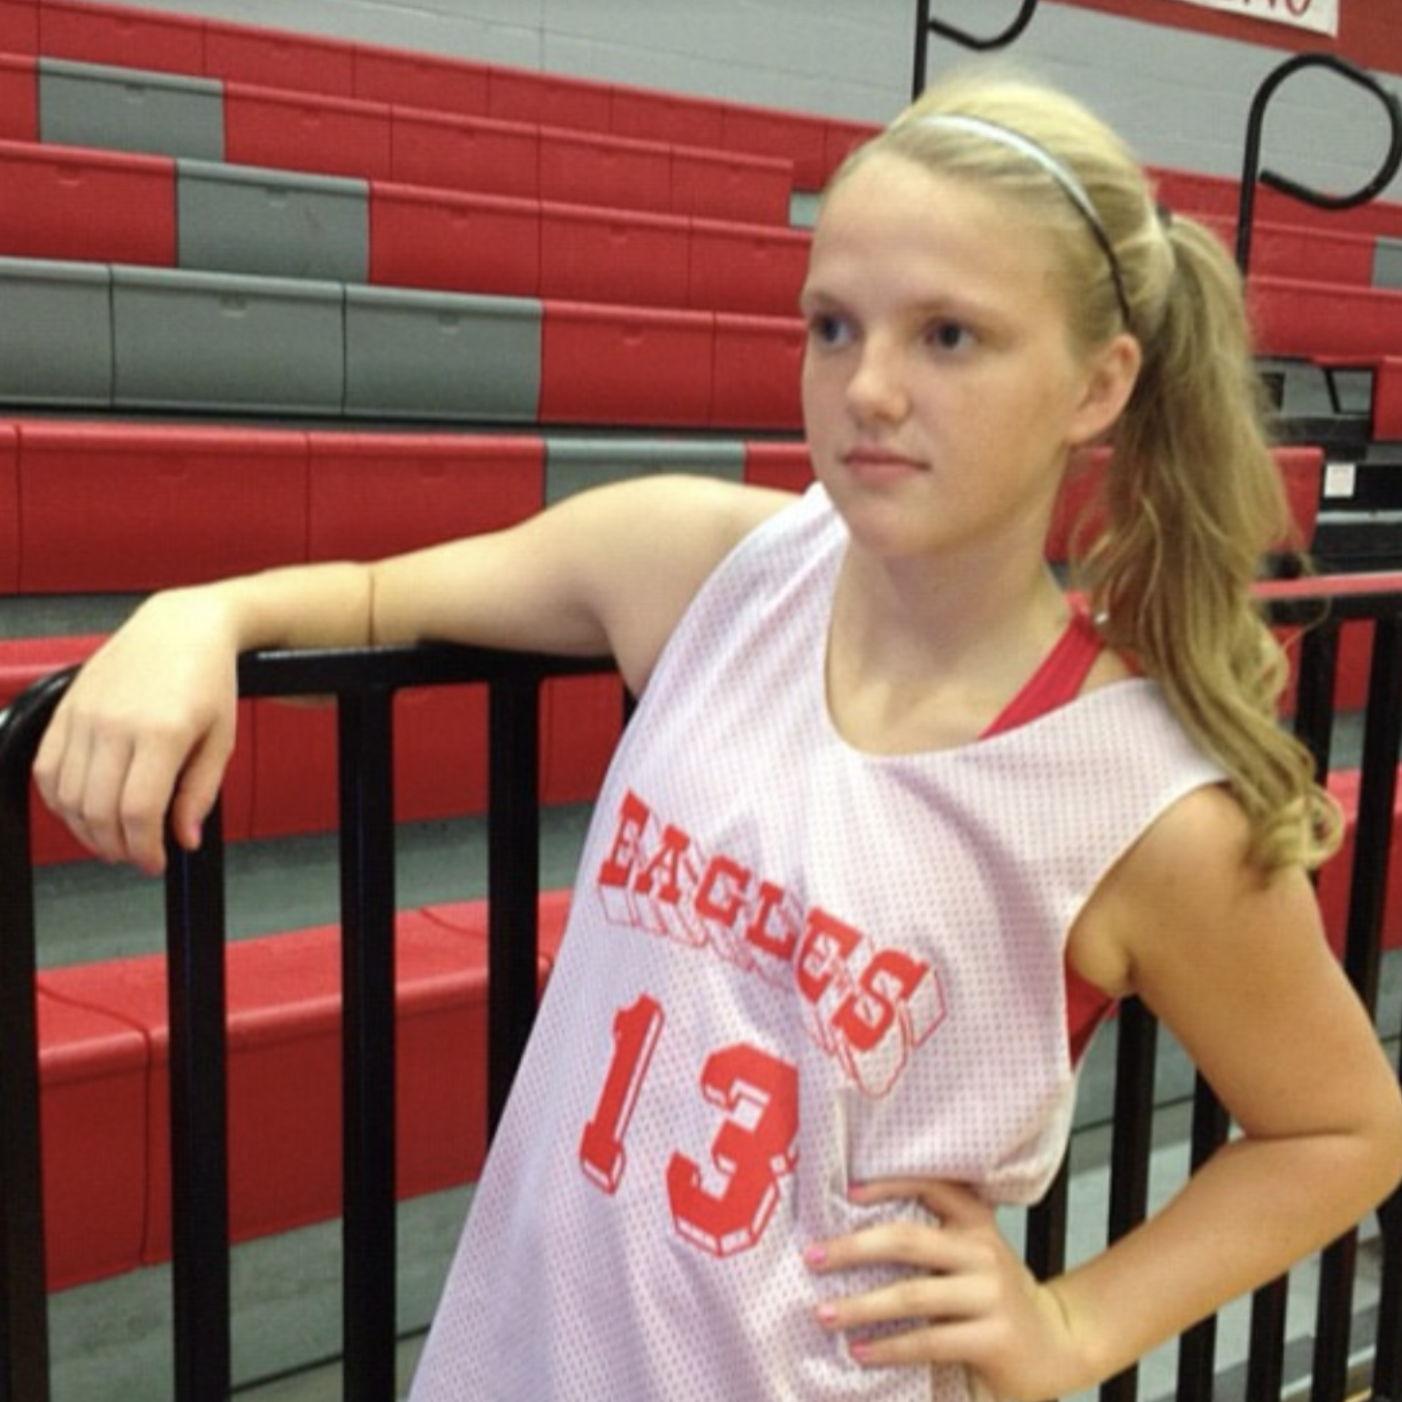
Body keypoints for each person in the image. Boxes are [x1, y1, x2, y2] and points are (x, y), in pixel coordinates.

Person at [35, 66, 1402, 1402]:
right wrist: (192, 617)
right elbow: (376, 598)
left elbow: (1341, 1126)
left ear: (1097, 386)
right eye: (832, 327)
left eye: (947, 336)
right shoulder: (706, 567)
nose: (867, 387)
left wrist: (1069, 1322)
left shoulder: (1136, 799)